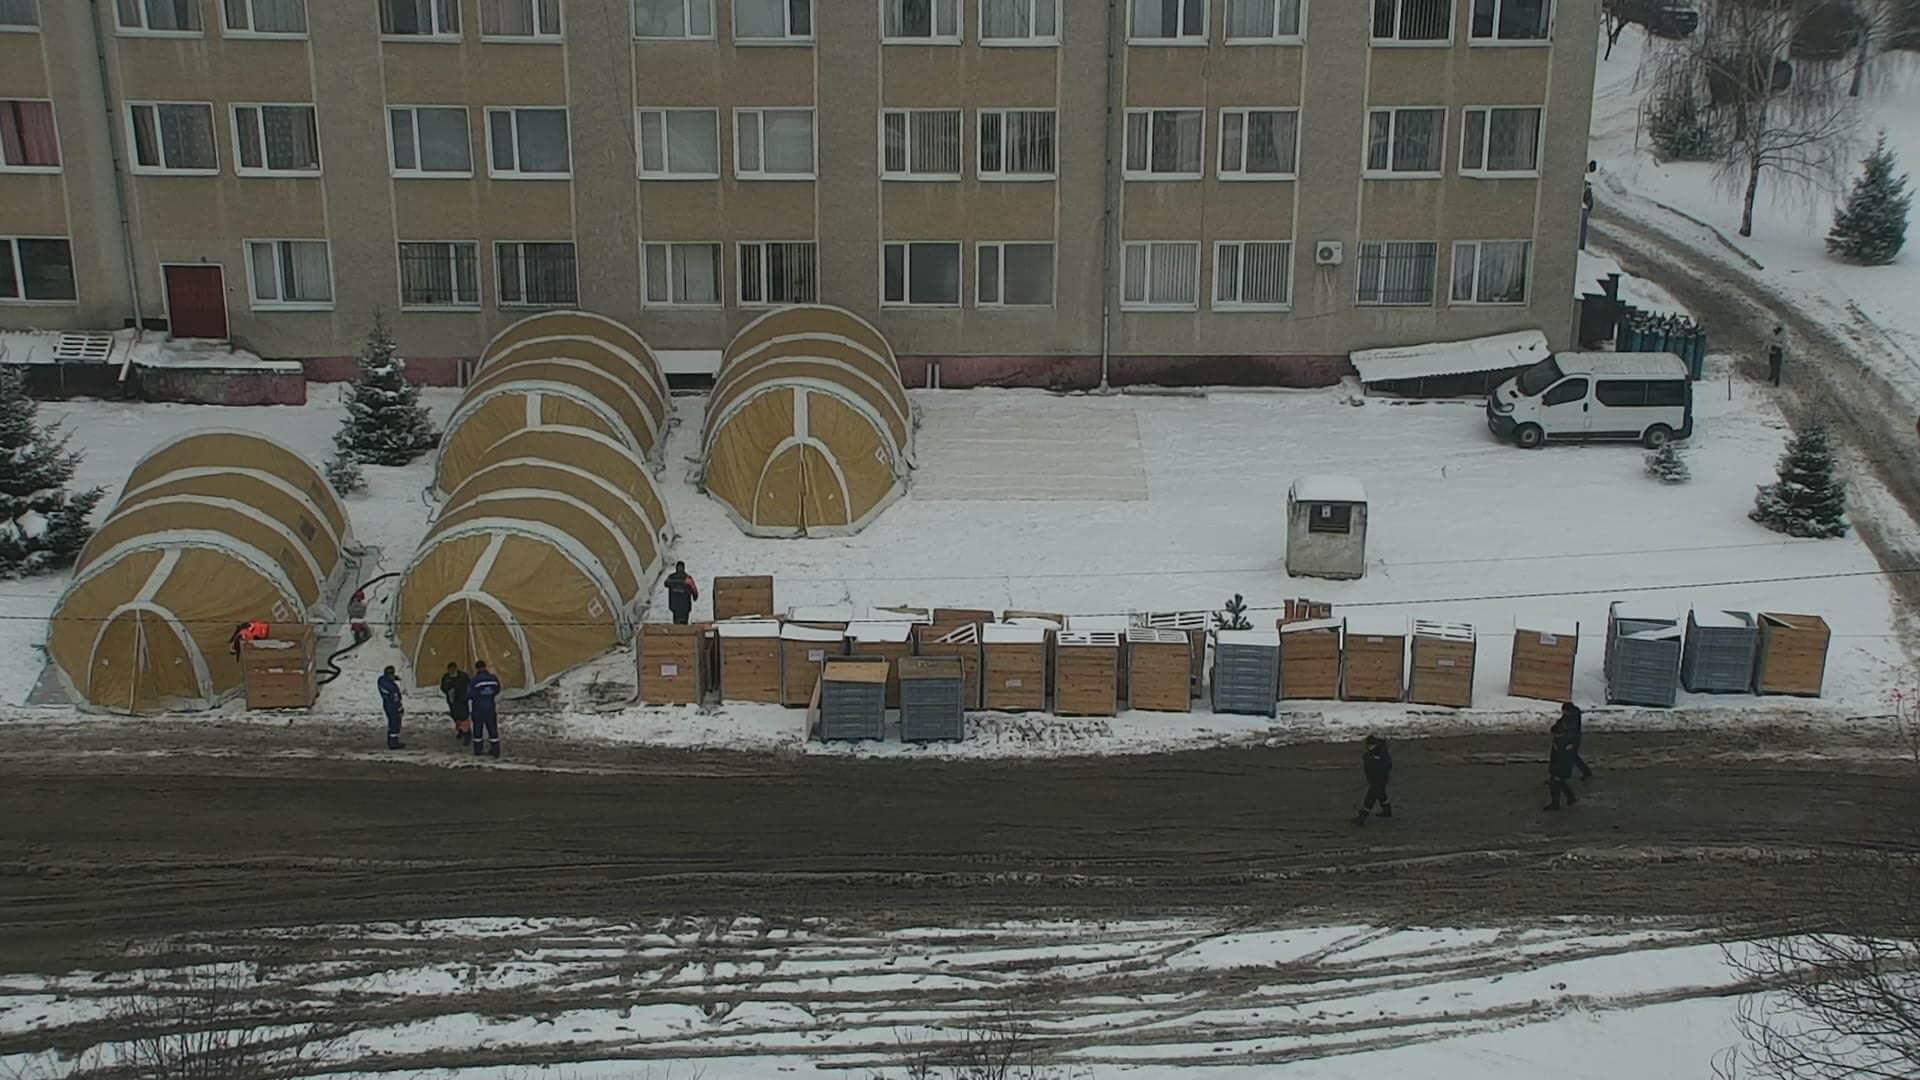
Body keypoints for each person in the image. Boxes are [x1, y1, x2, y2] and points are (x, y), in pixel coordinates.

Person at [1351, 735, 1393, 825]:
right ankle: (1387, 811)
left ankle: (1362, 818)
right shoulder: (1377, 752)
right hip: (1377, 779)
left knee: (1370, 798)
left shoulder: (1379, 753)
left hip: (1377, 780)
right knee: (1381, 794)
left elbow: (1386, 765)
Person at [469, 660, 502, 759]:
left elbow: (470, 694)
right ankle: (495, 750)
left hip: (478, 708)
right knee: (492, 729)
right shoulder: (493, 678)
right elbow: (497, 690)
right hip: (490, 707)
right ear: (485, 667)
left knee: (478, 730)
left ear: (477, 668)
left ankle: (478, 750)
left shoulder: (475, 680)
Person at [1545, 720, 1579, 811]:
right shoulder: (1563, 740)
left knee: (1555, 785)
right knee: (1561, 783)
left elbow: (1562, 758)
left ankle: (1555, 804)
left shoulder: (1563, 743)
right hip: (1559, 767)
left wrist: (1557, 771)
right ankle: (1570, 798)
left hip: (1560, 768)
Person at [1560, 701, 1594, 782]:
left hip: (1573, 740)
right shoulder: (1569, 715)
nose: (1563, 713)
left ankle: (1565, 775)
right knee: (1572, 757)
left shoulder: (1574, 717)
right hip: (1569, 739)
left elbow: (1572, 730)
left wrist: (1570, 742)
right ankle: (1586, 772)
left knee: (1570, 757)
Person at [440, 661, 472, 745]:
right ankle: (460, 730)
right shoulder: (446, 677)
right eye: (450, 669)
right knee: (456, 717)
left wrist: (467, 695)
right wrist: (449, 692)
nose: (452, 671)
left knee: (464, 717)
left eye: (453, 669)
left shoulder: (463, 676)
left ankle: (467, 734)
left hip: (462, 700)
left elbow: (469, 685)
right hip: (452, 701)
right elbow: (443, 687)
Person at [377, 665, 406, 750]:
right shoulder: (392, 686)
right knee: (395, 723)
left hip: (387, 704)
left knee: (392, 722)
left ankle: (391, 741)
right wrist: (400, 707)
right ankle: (394, 743)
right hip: (392, 705)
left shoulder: (382, 681)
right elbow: (395, 698)